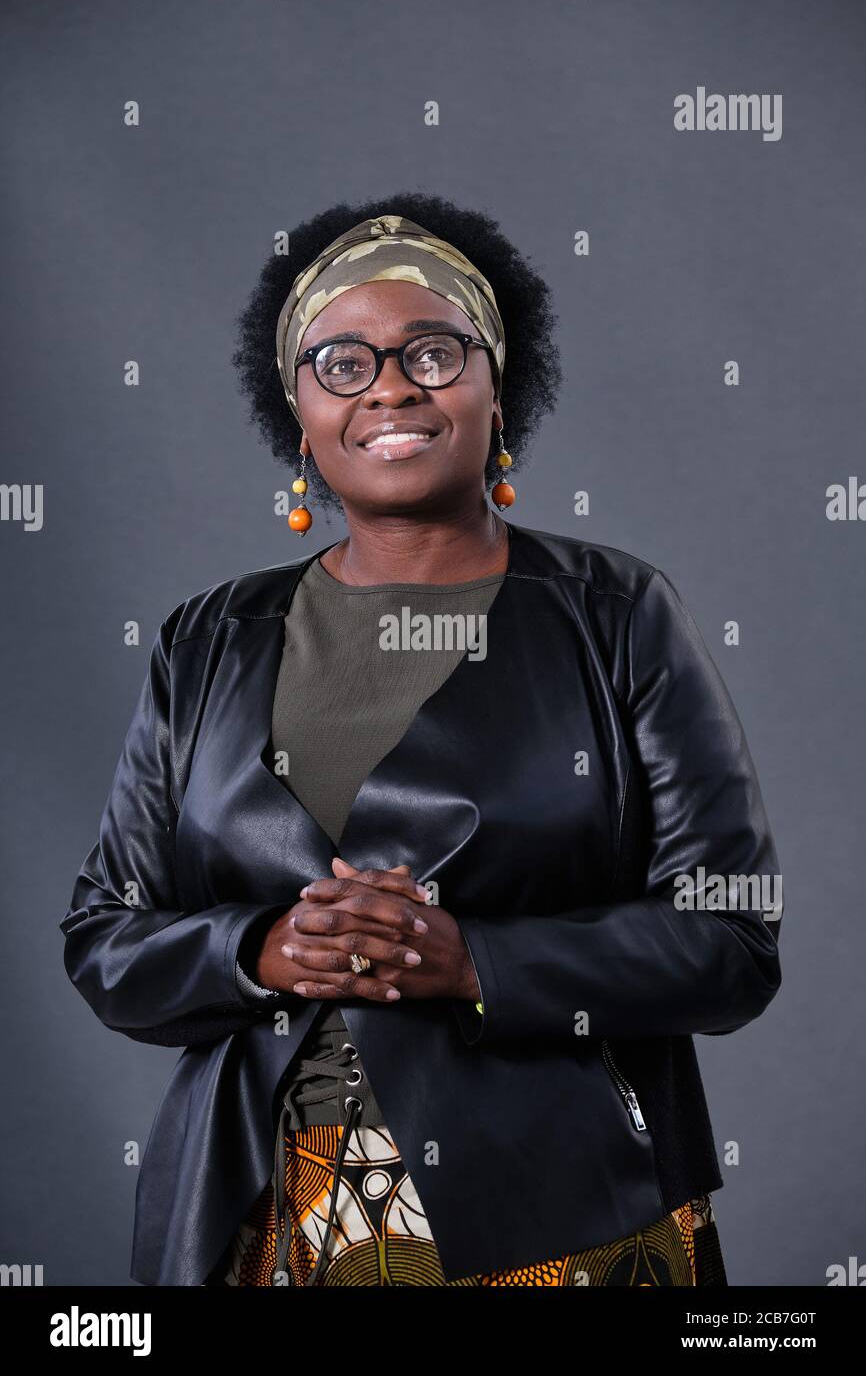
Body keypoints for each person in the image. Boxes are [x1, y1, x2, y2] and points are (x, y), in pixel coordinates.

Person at [61, 194, 782, 1288]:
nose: (389, 385)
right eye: (339, 363)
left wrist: (472, 960)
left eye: (431, 353)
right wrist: (258, 948)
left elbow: (730, 942)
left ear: (497, 389)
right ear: (297, 415)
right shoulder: (208, 639)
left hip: (559, 1215)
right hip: (255, 1214)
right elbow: (105, 932)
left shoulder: (614, 613)